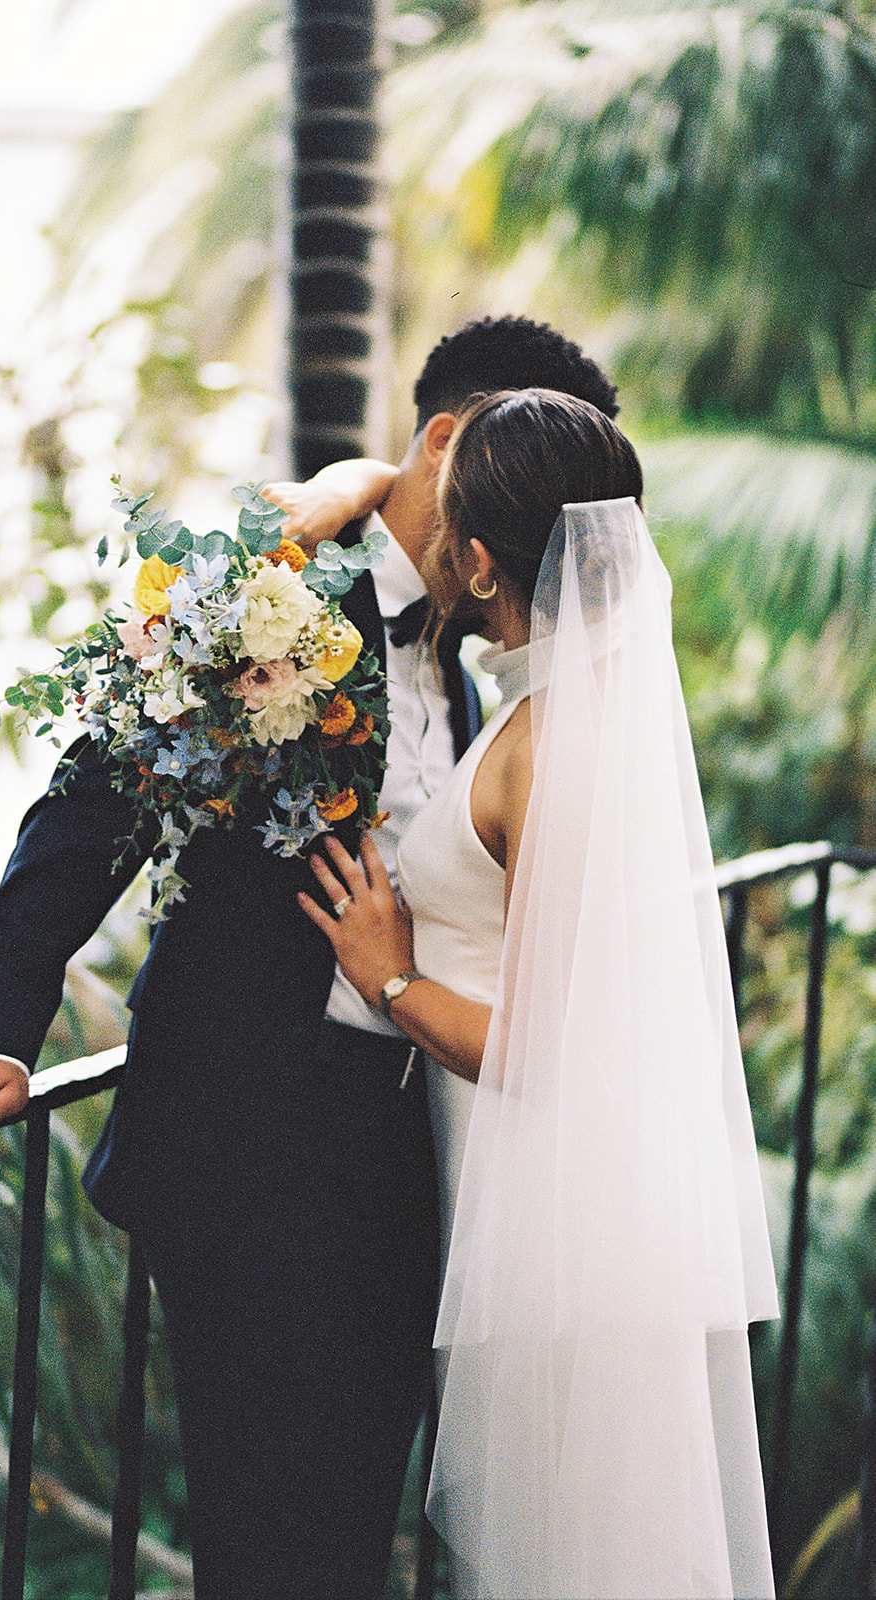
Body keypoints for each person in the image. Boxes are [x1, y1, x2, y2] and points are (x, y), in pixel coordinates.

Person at [0, 319, 622, 1600]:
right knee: (269, 1543)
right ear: (443, 442)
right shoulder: (259, 588)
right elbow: (86, 806)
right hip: (248, 1152)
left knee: (348, 1537)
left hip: (409, 1160)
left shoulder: (483, 662)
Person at [300, 388, 779, 1600]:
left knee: (563, 1554)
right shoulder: (565, 710)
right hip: (530, 1195)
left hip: (553, 1208)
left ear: (472, 558)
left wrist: (389, 976)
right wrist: (352, 479)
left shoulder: (550, 737)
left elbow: (562, 1047)